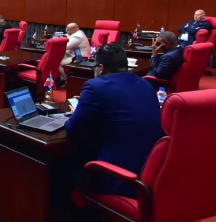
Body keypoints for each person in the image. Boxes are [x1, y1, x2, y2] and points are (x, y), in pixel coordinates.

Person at [65, 43, 164, 197]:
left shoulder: (95, 86)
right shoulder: (146, 84)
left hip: (119, 177)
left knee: (61, 167)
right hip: (152, 173)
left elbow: (72, 129)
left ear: (101, 68)